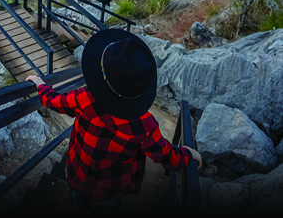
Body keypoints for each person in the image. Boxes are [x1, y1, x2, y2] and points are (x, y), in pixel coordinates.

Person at [26, 28, 202, 214]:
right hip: (109, 191)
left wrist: (41, 85)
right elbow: (166, 157)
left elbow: (55, 102)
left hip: (77, 176)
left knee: (77, 204)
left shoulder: (84, 98)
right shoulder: (144, 125)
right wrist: (188, 154)